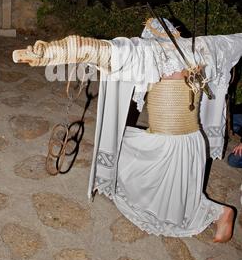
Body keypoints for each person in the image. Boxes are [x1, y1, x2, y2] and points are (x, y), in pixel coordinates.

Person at [12, 19, 242, 243]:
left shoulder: (150, 53)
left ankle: (219, 212)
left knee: (123, 154)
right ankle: (217, 212)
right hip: (194, 145)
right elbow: (236, 41)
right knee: (168, 189)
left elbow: (90, 49)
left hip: (167, 149)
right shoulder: (205, 48)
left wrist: (46, 53)